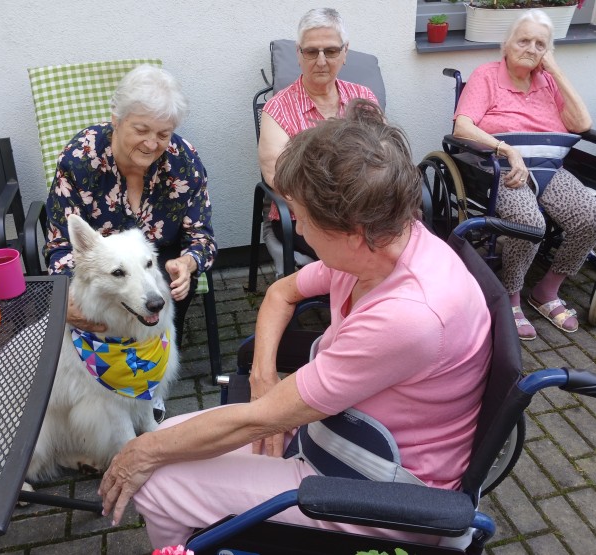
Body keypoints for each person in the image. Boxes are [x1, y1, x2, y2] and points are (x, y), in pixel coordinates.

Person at [99, 100, 492, 549]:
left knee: (155, 477)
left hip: (376, 490)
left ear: (353, 230)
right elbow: (281, 293)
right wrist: (264, 376)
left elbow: (256, 420)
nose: (298, 229)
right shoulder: (386, 244)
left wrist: (139, 452)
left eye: (303, 218)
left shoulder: (410, 315)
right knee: (166, 438)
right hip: (337, 435)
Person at [453, 9, 596, 340]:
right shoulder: (487, 76)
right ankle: (510, 296)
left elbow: (581, 125)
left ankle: (546, 290)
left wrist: (553, 68)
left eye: (540, 44)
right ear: (506, 45)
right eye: (523, 40)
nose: (531, 48)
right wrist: (506, 150)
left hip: (549, 168)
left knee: (594, 217)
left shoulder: (548, 81)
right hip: (504, 166)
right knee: (528, 223)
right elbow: (462, 126)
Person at [44, 64, 216, 347]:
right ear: (116, 119)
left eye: (163, 134)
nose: (151, 144)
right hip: (104, 273)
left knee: (169, 288)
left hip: (160, 263)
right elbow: (61, 246)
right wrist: (68, 302)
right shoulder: (80, 159)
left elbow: (201, 237)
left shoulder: (183, 161)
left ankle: (160, 350)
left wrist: (188, 263)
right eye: (141, 129)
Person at [257, 7, 379, 275]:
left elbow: (382, 156)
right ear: (299, 55)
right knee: (368, 253)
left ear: (345, 52)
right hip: (306, 216)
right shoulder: (278, 109)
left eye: (331, 51)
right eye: (311, 51)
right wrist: (325, 213)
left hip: (365, 209)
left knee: (407, 238)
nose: (321, 61)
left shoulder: (364, 98)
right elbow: (275, 175)